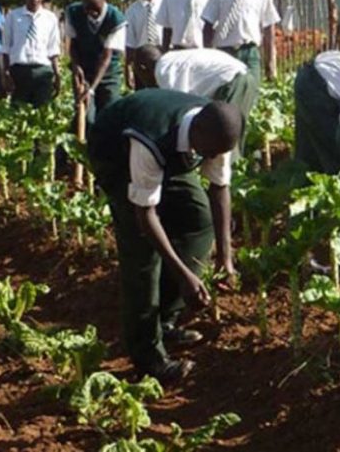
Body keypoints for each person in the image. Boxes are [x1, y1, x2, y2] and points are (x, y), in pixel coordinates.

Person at [88, 89, 241, 383]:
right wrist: (184, 275)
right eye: (207, 151)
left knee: (199, 220)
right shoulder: (150, 139)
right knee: (142, 253)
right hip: (115, 154)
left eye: (215, 153)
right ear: (197, 132)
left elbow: (219, 189)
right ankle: (148, 358)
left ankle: (166, 319)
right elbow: (145, 216)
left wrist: (226, 258)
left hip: (170, 152)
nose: (210, 158)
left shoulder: (215, 135)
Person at [202, 0, 280, 82]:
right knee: (225, 91)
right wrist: (208, 56)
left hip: (249, 51)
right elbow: (208, 25)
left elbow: (269, 28)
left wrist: (271, 60)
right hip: (225, 51)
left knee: (251, 89)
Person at [137, 46, 258, 121]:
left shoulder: (163, 70)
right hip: (243, 78)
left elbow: (177, 108)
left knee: (224, 137)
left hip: (233, 82)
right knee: (232, 135)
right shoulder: (172, 59)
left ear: (143, 68)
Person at [67, 0, 127, 127]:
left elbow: (106, 58)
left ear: (104, 0)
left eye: (97, 9)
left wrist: (91, 89)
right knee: (86, 117)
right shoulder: (74, 13)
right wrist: (76, 67)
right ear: (82, 3)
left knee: (109, 116)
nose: (93, 13)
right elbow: (73, 44)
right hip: (85, 71)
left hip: (108, 74)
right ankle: (82, 146)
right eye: (88, 8)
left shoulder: (116, 19)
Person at [3, 0, 61, 108]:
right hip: (19, 72)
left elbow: (53, 50)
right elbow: (6, 48)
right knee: (18, 114)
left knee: (42, 113)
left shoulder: (50, 18)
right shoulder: (13, 16)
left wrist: (57, 75)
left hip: (43, 72)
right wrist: (6, 73)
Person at [125, 0, 165, 89]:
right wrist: (127, 68)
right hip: (142, 62)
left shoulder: (166, 3)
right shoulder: (132, 11)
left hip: (163, 57)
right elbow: (130, 43)